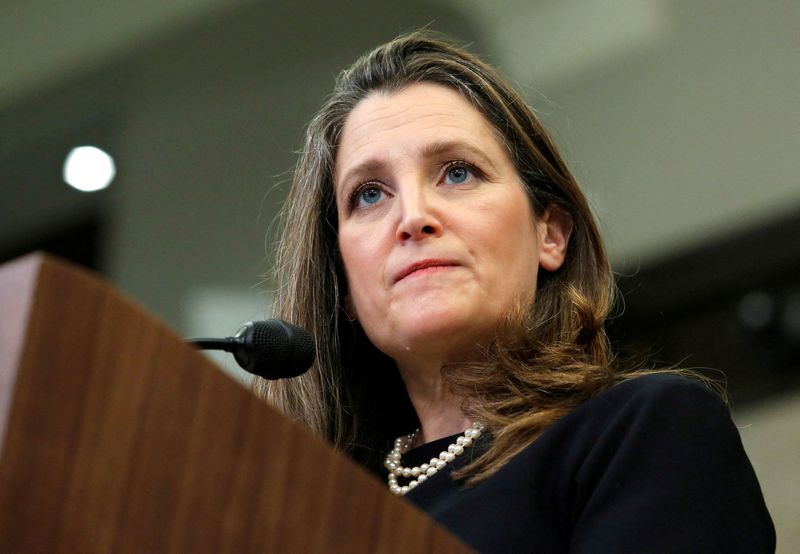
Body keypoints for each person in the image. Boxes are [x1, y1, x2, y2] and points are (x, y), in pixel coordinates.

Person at [253, 31, 775, 552]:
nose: (412, 217)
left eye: (457, 173)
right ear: (342, 281)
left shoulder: (644, 429)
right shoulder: (299, 513)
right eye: (369, 194)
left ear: (550, 234)